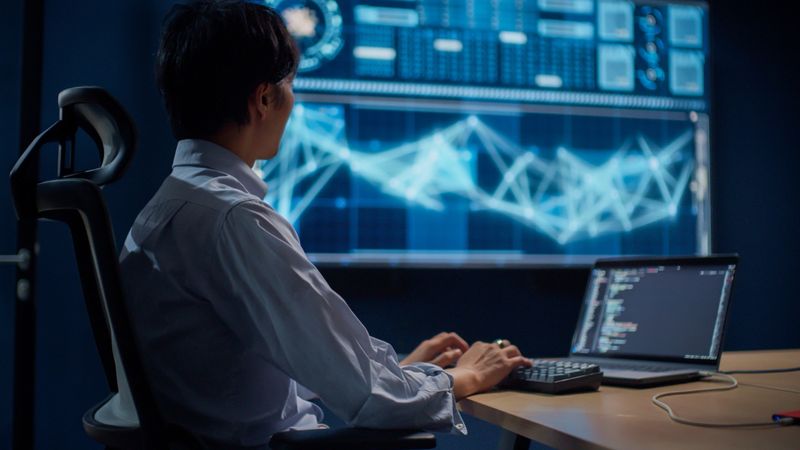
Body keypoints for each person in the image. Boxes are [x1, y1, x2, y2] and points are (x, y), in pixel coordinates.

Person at [119, 0, 532, 448]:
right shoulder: (235, 219)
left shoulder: (174, 204)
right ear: (263, 98)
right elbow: (374, 401)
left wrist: (402, 372)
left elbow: (252, 376)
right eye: (291, 83)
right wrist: (468, 375)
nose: (293, 100)